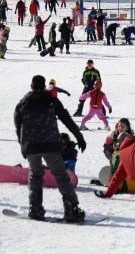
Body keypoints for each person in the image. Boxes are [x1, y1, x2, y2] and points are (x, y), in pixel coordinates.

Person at [14, 75, 87, 221]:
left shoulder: (22, 104)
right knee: (60, 175)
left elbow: (18, 126)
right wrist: (79, 137)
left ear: (31, 86)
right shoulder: (52, 101)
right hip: (50, 144)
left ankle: (35, 209)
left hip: (31, 146)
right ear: (44, 86)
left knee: (35, 174)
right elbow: (67, 119)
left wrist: (23, 146)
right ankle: (71, 210)